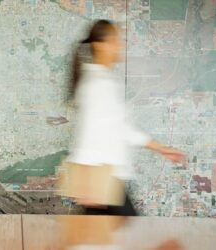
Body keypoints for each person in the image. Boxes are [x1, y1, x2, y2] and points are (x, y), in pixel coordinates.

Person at [61, 19, 186, 249]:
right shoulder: (98, 84)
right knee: (123, 238)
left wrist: (160, 148)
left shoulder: (101, 81)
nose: (120, 46)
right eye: (115, 40)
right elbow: (89, 134)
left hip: (107, 181)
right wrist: (87, 186)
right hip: (104, 182)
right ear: (100, 45)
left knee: (97, 241)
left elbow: (119, 129)